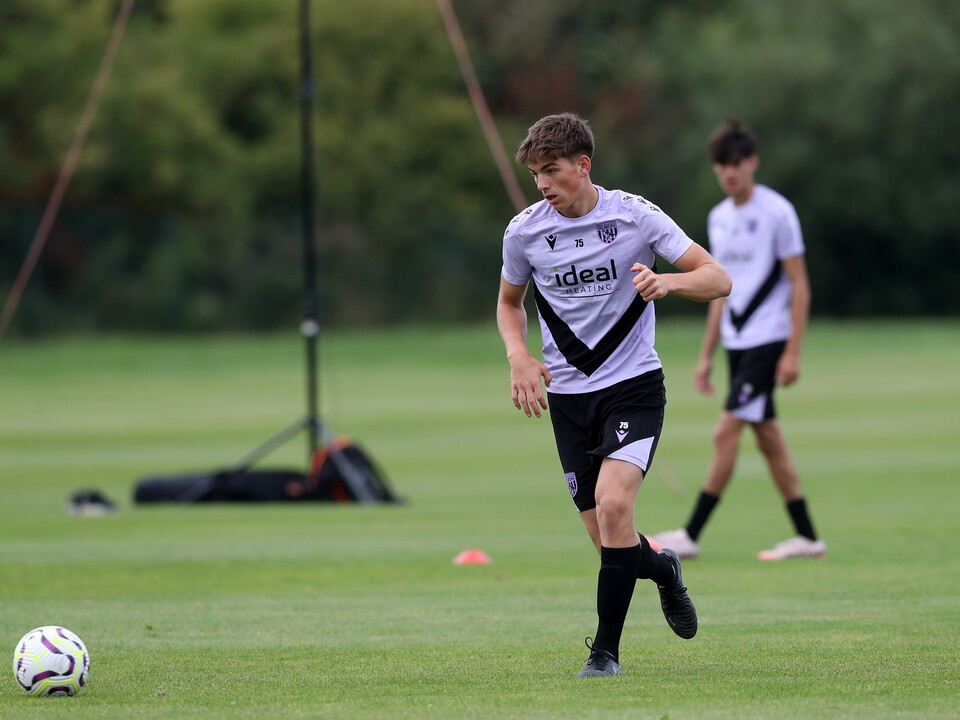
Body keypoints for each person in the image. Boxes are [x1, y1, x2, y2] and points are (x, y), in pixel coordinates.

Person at [496, 113, 731, 678]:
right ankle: (665, 570)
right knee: (610, 545)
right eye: (534, 175)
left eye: (551, 171)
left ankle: (605, 655)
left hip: (633, 388)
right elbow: (509, 304)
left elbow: (717, 277)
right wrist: (519, 356)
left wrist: (669, 282)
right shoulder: (524, 232)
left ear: (584, 165)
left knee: (615, 507)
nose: (543, 185)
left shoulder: (634, 216)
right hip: (570, 400)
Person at [652, 117, 826, 562]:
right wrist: (707, 354)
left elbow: (799, 286)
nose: (729, 172)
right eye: (721, 165)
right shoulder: (718, 218)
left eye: (736, 163)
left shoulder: (777, 213)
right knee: (767, 438)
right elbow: (718, 289)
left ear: (752, 163)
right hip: (737, 343)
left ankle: (690, 533)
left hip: (769, 340)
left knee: (726, 430)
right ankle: (807, 537)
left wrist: (793, 351)